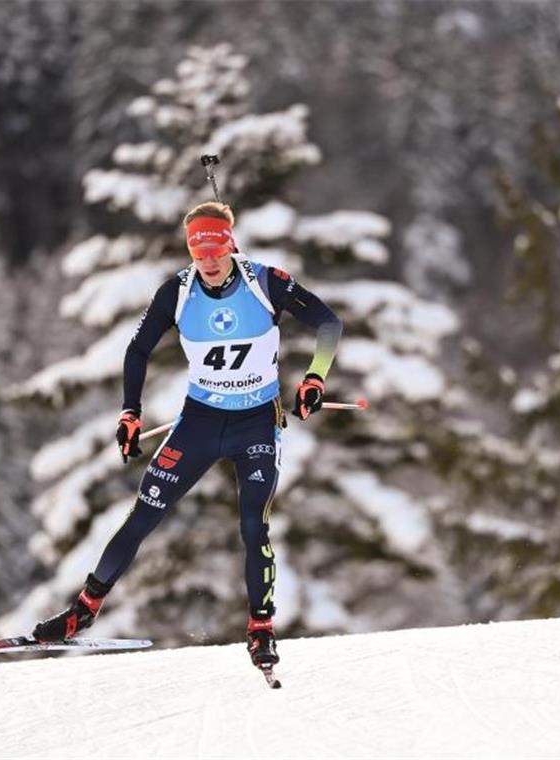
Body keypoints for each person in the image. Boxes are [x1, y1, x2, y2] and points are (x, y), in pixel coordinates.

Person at [33, 201, 343, 670]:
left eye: (217, 250)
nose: (210, 262)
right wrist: (130, 412)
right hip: (199, 422)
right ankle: (83, 611)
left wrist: (315, 378)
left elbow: (328, 323)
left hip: (256, 423)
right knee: (144, 513)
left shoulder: (266, 282)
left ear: (231, 244)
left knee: (253, 524)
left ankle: (261, 628)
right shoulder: (176, 293)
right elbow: (137, 351)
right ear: (191, 253)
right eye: (200, 254)